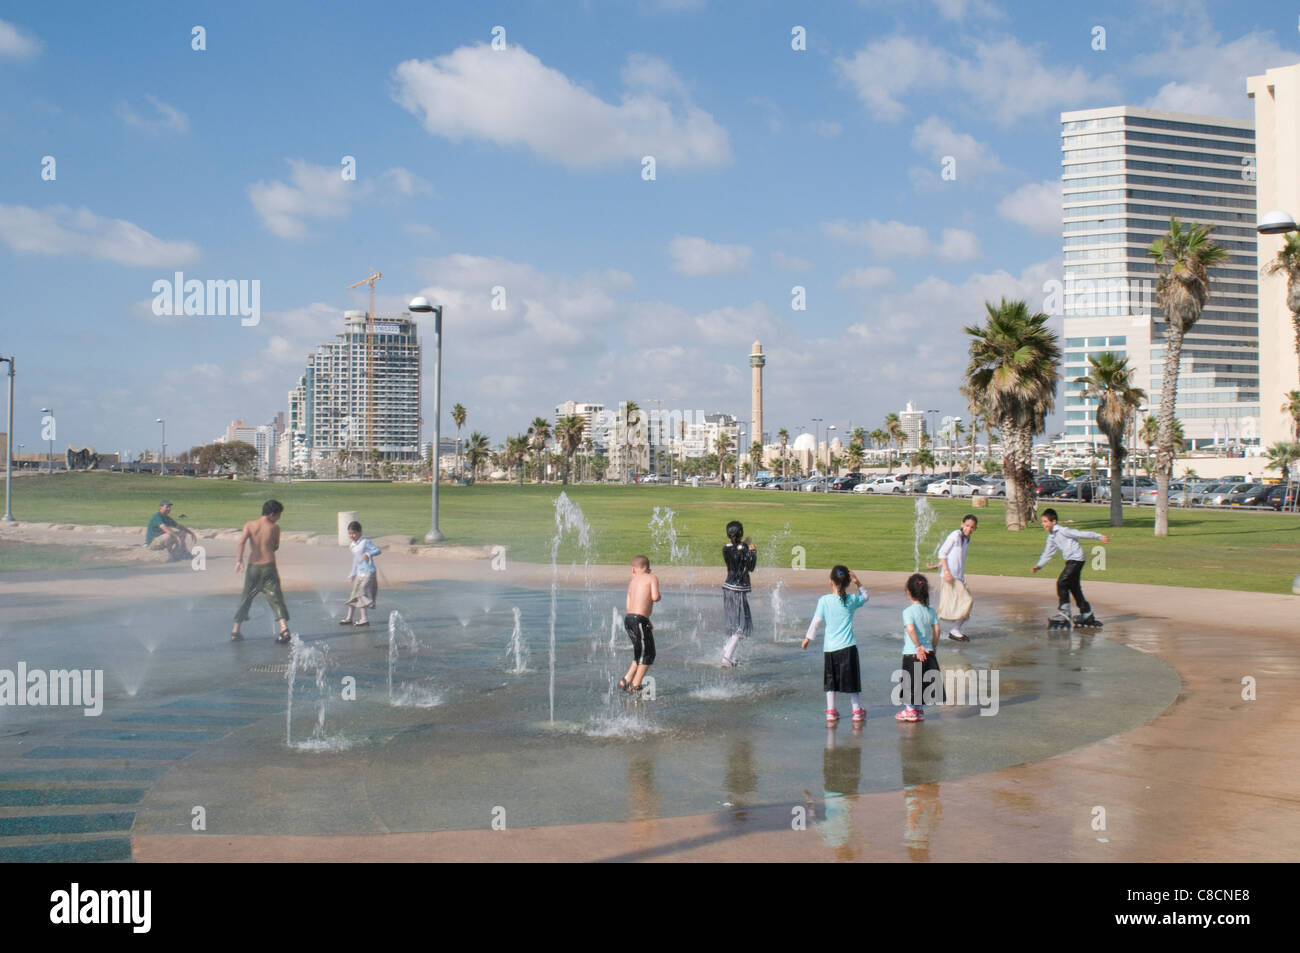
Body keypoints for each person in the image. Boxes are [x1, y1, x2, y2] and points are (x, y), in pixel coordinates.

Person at [801, 565, 869, 724]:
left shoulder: (824, 600)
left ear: (830, 581)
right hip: (849, 647)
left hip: (830, 649)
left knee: (830, 680)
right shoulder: (851, 599)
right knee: (853, 680)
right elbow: (866, 597)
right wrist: (858, 582)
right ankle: (856, 710)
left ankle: (831, 711)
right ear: (847, 583)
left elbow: (816, 622)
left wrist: (807, 638)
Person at [1032, 508, 1110, 626]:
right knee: (1074, 587)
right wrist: (1039, 565)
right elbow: (1048, 553)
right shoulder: (1051, 537)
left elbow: (1081, 534)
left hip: (1076, 560)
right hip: (1071, 561)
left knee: (1062, 582)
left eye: (1046, 521)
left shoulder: (1063, 531)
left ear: (1054, 522)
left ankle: (1064, 612)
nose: (1044, 524)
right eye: (1042, 522)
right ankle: (1086, 613)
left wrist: (1098, 536)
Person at [231, 500, 291, 643]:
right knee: (276, 597)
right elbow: (275, 546)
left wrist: (239, 561)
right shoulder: (275, 527)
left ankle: (235, 630)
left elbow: (241, 542)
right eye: (278, 515)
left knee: (246, 598)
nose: (279, 518)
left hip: (253, 566)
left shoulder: (250, 525)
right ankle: (284, 629)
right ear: (272, 514)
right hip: (269, 566)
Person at [897, 573, 941, 722]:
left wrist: (918, 646)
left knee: (910, 683)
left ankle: (910, 710)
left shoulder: (908, 611)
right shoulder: (931, 611)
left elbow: (910, 629)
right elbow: (937, 630)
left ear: (908, 592)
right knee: (922, 682)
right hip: (928, 652)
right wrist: (933, 647)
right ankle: (919, 710)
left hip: (913, 652)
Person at [618, 555, 661, 693]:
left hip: (629, 619)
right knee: (648, 653)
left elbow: (629, 605)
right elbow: (654, 597)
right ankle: (636, 685)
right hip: (639, 620)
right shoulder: (652, 577)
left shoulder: (632, 581)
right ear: (649, 569)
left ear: (633, 570)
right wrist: (658, 596)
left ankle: (626, 680)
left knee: (639, 651)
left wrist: (645, 620)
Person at [931, 515, 976, 642]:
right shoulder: (955, 535)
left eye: (972, 527)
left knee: (961, 606)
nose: (969, 529)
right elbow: (942, 552)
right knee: (967, 601)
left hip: (958, 578)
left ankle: (953, 629)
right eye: (967, 526)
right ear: (962, 524)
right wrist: (946, 571)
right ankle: (954, 630)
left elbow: (952, 556)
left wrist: (938, 565)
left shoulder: (966, 539)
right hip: (950, 577)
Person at [720, 520, 757, 667]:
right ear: (741, 533)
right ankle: (727, 657)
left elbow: (736, 549)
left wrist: (745, 545)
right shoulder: (745, 550)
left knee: (732, 624)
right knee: (742, 626)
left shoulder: (725, 549)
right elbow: (751, 567)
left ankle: (726, 651)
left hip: (727, 588)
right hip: (738, 590)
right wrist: (753, 551)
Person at [339, 520, 381, 627]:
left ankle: (364, 619)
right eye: (349, 533)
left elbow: (377, 550)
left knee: (362, 594)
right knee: (354, 595)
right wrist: (352, 574)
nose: (351, 536)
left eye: (353, 533)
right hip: (359, 573)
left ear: (360, 532)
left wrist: (368, 553)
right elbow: (356, 560)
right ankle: (349, 618)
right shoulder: (352, 545)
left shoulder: (366, 542)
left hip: (369, 572)